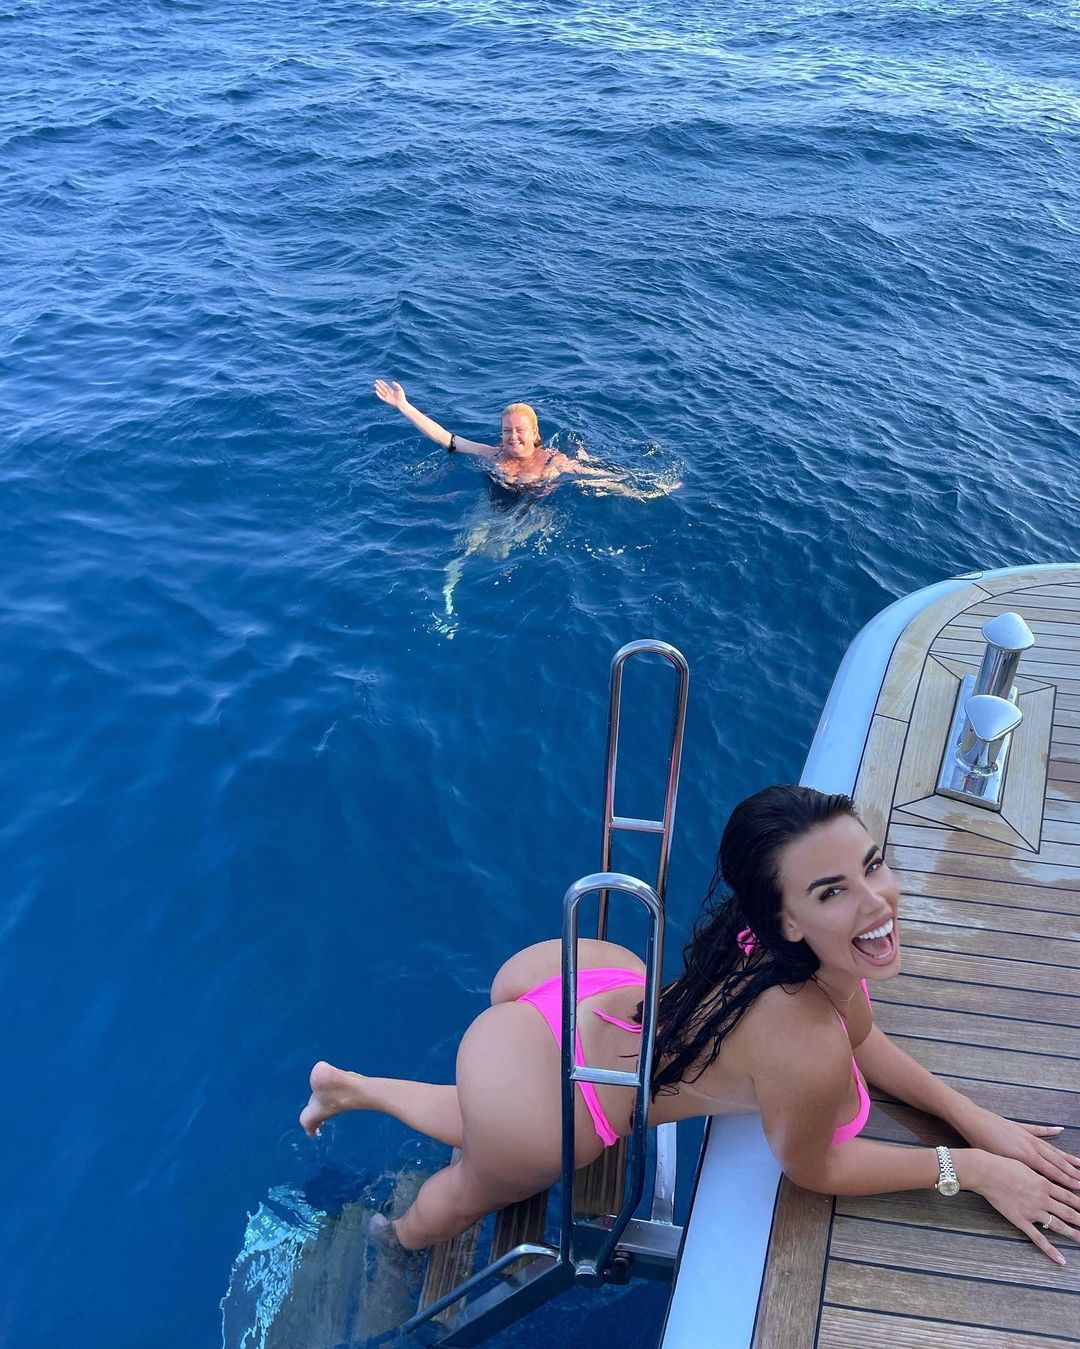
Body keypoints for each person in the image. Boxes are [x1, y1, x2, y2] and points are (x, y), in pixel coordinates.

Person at [300, 785, 1079, 1264]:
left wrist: (974, 1119)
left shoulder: (776, 948)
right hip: (555, 1101)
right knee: (470, 1190)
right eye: (834, 890)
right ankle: (391, 1239)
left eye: (873, 865)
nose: (877, 901)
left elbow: (865, 1039)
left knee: (488, 1116)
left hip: (578, 984)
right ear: (789, 918)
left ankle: (349, 1086)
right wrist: (968, 1170)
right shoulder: (801, 1038)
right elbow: (817, 1167)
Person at [373, 379, 632, 489]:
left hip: (533, 509)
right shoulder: (493, 454)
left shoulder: (552, 460)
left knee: (501, 550)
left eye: (520, 430)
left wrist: (633, 490)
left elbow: (594, 476)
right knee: (470, 545)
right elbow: (446, 438)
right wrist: (403, 406)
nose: (513, 437)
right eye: (507, 431)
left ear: (534, 433)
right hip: (495, 504)